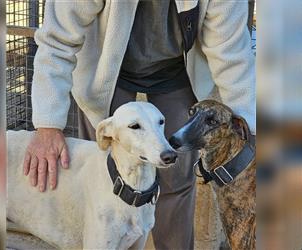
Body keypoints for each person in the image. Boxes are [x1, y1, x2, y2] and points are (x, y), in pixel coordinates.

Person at [23, 0, 255, 249]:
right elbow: (57, 41)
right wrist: (48, 125)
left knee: (176, 181)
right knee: (104, 178)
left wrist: (253, 130)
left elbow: (232, 55)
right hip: (107, 68)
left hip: (175, 71)